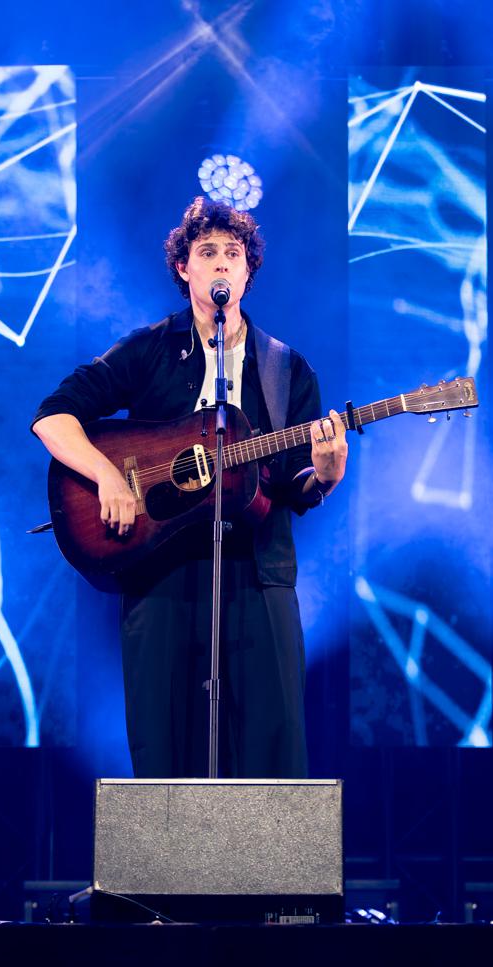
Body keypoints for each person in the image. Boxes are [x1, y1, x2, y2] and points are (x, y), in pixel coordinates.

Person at [31, 196, 347, 779]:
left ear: (248, 271)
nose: (222, 262)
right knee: (163, 741)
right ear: (184, 268)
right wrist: (107, 476)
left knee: (272, 741)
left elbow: (293, 486)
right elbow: (54, 417)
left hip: (257, 571)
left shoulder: (286, 370)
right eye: (207, 252)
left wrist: (324, 474)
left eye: (234, 253)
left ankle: (266, 846)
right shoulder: (148, 348)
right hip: (161, 571)